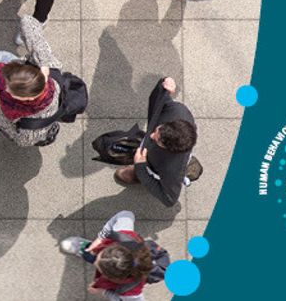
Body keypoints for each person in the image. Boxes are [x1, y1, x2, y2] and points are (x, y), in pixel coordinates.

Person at [114, 77, 198, 207]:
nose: (151, 135)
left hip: (155, 164)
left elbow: (169, 199)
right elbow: (157, 101)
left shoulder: (172, 169)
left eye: (158, 140)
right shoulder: (178, 111)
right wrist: (164, 84)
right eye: (158, 130)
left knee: (146, 170)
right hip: (155, 154)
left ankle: (137, 176)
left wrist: (141, 167)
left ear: (169, 149)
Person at [0, 16, 64, 147]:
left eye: (11, 91)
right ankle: (15, 60)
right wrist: (43, 62)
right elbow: (27, 21)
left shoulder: (34, 125)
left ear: (27, 98)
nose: (6, 89)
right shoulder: (49, 64)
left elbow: (21, 140)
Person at [59, 211, 162, 300]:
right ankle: (85, 248)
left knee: (92, 255)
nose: (95, 263)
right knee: (93, 253)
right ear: (115, 246)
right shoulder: (123, 234)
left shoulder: (131, 291)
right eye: (101, 255)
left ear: (114, 278)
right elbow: (125, 214)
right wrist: (100, 238)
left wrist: (104, 291)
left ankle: (84, 250)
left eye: (98, 266)